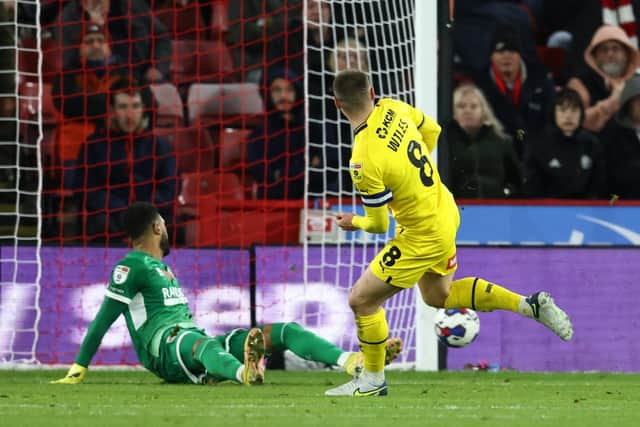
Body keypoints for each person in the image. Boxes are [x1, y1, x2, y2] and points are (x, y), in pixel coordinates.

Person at [325, 70, 573, 397]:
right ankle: (529, 305)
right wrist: (411, 178)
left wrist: (351, 222)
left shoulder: (362, 159)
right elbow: (433, 130)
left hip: (421, 235)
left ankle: (372, 380)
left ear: (336, 103)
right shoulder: (392, 108)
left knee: (362, 299)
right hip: (444, 209)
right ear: (372, 92)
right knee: (437, 296)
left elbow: (378, 225)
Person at [52, 202, 403, 385]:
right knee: (201, 343)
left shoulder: (162, 268)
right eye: (165, 224)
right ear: (158, 226)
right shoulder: (131, 266)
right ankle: (243, 373)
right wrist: (79, 366)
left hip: (191, 342)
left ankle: (351, 362)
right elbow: (103, 318)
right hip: (164, 350)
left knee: (283, 332)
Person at [69, 79, 177, 241]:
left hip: (150, 218)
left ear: (143, 109)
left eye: (135, 106)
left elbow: (170, 189)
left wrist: (143, 211)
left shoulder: (160, 146)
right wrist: (122, 211)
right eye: (123, 107)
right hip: (110, 219)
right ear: (112, 110)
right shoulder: (94, 145)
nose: (130, 114)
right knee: (99, 223)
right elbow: (85, 190)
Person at [474, 24, 555, 157]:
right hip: (494, 154)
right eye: (500, 51)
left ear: (520, 55)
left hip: (536, 152)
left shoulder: (541, 78)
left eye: (512, 51)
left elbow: (550, 121)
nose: (507, 56)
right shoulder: (480, 84)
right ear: (491, 56)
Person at [524, 88, 607, 199]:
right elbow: (532, 189)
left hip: (586, 211)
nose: (568, 116)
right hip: (548, 211)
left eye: (574, 110)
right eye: (563, 110)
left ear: (581, 113)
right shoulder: (538, 145)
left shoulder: (592, 144)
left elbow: (600, 186)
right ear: (553, 113)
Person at [447, 84, 522, 198]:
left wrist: (506, 194)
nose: (468, 111)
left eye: (473, 106)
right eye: (461, 106)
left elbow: (517, 179)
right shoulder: (444, 142)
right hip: (454, 208)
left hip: (494, 207)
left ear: (483, 111)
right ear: (453, 111)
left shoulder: (500, 141)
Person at [567, 25, 640, 135]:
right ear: (594, 56)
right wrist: (612, 102)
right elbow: (573, 122)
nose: (610, 54)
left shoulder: (637, 81)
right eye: (604, 50)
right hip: (594, 147)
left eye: (616, 49)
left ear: (627, 54)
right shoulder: (579, 83)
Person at [246, 67, 305, 199]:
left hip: (313, 205)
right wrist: (302, 170)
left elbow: (326, 171)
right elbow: (264, 176)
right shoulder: (258, 136)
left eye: (289, 90)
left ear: (298, 93)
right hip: (272, 206)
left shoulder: (315, 129)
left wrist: (282, 172)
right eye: (277, 90)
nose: (283, 96)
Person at [607, 74, 640, 199]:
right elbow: (615, 176)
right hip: (624, 203)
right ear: (628, 104)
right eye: (638, 101)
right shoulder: (613, 135)